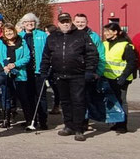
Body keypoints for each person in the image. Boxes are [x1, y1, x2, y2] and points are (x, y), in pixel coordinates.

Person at [40, 12, 99, 142]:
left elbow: (92, 54)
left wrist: (90, 70)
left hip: (77, 75)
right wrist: (43, 70)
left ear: (71, 22)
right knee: (65, 102)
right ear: (58, 23)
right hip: (59, 75)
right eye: (62, 21)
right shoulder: (52, 37)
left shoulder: (82, 35)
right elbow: (46, 56)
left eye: (67, 21)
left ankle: (79, 128)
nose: (65, 24)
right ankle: (68, 126)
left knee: (78, 102)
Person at [101, 22, 137, 134]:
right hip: (108, 78)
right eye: (105, 31)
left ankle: (122, 124)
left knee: (121, 101)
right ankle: (115, 122)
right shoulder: (104, 44)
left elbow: (131, 63)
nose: (106, 33)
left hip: (121, 79)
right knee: (112, 101)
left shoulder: (125, 45)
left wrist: (123, 77)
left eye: (108, 31)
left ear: (115, 32)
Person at [0, 23, 30, 129]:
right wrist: (4, 65)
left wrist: (15, 64)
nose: (9, 33)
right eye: (6, 31)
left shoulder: (22, 42)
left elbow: (27, 57)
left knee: (23, 97)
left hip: (19, 74)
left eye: (10, 31)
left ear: (14, 31)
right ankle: (6, 119)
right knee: (6, 97)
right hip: (5, 73)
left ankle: (28, 120)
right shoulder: (0, 43)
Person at [19, 13, 50, 129]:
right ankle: (31, 120)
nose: (29, 23)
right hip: (25, 72)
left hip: (39, 71)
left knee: (41, 96)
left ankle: (43, 121)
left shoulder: (42, 35)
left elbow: (48, 51)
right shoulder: (19, 36)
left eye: (32, 21)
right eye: (27, 22)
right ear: (23, 24)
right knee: (28, 97)